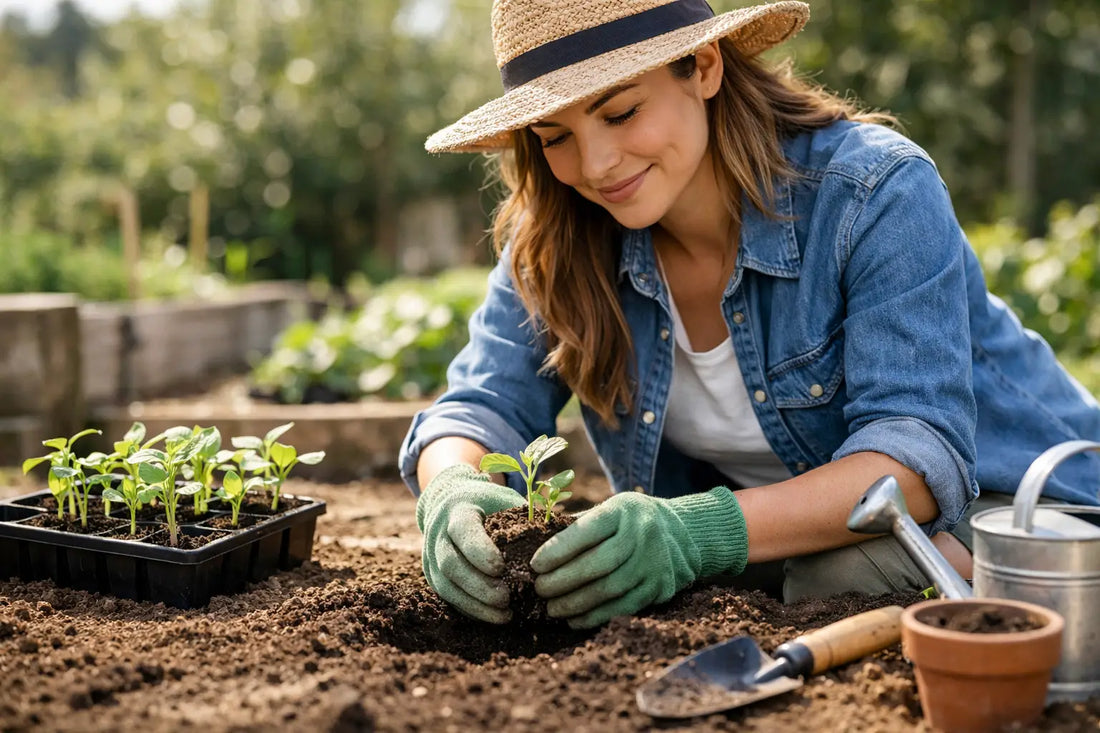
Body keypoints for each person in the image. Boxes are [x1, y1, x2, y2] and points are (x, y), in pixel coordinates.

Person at [399, 0, 1100, 629]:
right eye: (555, 137)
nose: (597, 163)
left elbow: (910, 466)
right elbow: (480, 405)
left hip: (1022, 502)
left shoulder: (871, 191)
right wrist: (451, 487)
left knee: (844, 576)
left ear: (702, 67)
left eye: (619, 112)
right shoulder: (560, 235)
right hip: (797, 534)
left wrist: (692, 534)